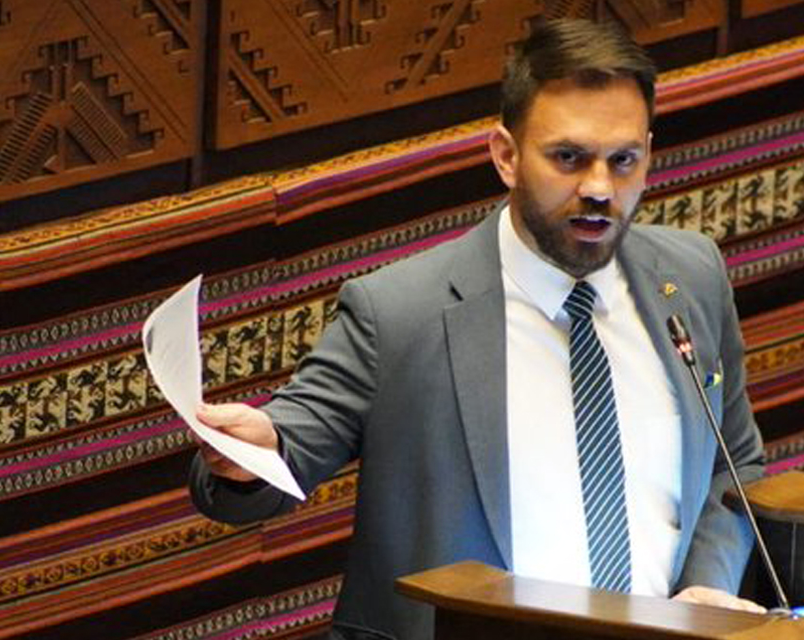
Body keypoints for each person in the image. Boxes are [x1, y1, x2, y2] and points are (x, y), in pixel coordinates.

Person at [189, 18, 766, 640]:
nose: (600, 188)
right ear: (507, 156)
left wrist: (708, 584)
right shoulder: (401, 312)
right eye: (568, 158)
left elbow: (733, 464)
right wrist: (251, 456)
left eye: (623, 160)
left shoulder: (691, 276)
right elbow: (271, 466)